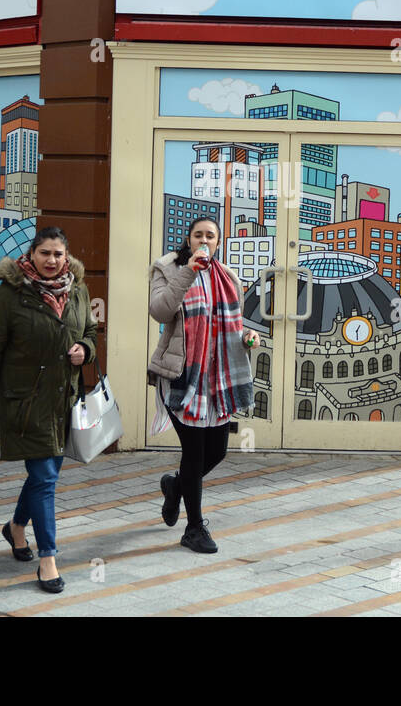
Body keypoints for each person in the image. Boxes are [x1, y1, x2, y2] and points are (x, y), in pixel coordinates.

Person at [0, 226, 97, 593]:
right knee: (45, 479)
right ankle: (48, 559)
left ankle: (16, 528)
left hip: (62, 402)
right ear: (32, 255)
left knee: (44, 478)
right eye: (45, 254)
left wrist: (85, 349)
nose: (53, 261)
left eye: (59, 254)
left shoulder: (78, 290)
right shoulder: (11, 295)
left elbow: (91, 331)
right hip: (25, 402)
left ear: (66, 257)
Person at [148, 217, 256, 554]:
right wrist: (189, 271)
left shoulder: (228, 277)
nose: (204, 240)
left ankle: (175, 486)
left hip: (217, 379)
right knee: (194, 454)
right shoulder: (167, 267)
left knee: (218, 451)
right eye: (199, 235)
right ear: (189, 239)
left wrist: (248, 336)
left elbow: (229, 325)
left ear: (219, 240)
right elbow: (160, 311)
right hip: (183, 377)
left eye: (211, 235)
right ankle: (194, 528)